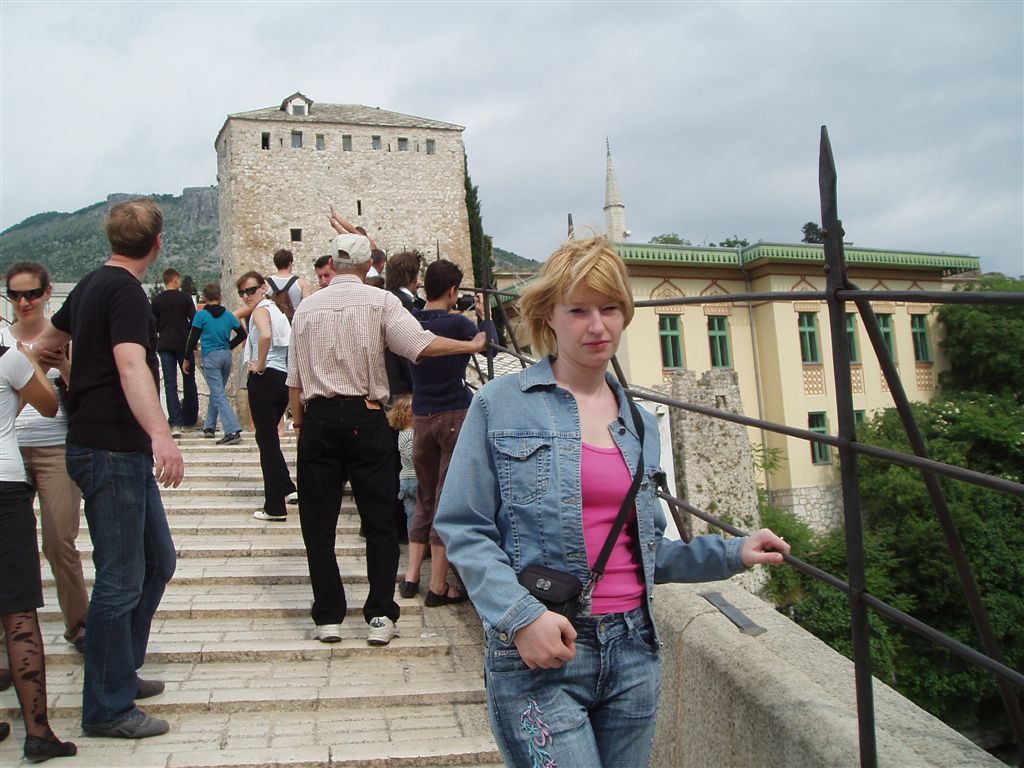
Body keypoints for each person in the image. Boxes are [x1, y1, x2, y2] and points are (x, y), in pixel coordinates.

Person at [435, 237, 790, 767]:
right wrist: (520, 617)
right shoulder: (499, 404)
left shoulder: (640, 424)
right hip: (544, 647)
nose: (597, 325)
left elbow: (646, 551)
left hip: (634, 652)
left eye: (609, 308)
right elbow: (463, 525)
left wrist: (732, 552)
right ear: (549, 317)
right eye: (578, 310)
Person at [287, 232, 488, 647]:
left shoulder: (306, 307)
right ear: (367, 266)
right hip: (366, 415)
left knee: (318, 525)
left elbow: (294, 379)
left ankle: (328, 616)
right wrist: (470, 344)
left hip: (318, 418)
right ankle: (379, 614)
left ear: (333, 264)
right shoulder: (380, 301)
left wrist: (302, 425)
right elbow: (420, 345)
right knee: (378, 520)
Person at [36, 197, 182, 739]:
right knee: (121, 579)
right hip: (113, 449)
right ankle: (106, 708)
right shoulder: (124, 292)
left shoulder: (91, 285)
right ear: (158, 243)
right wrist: (162, 434)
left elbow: (47, 344)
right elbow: (129, 362)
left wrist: (74, 372)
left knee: (158, 560)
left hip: (112, 447)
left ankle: (118, 671)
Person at [1, 263, 89, 652]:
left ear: (47, 293)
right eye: (16, 295)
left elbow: (84, 393)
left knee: (59, 541)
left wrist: (63, 365)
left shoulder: (65, 337)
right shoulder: (3, 340)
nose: (24, 302)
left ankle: (80, 625)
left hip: (56, 447)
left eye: (32, 294)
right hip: (9, 451)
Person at [0, 339, 77, 762]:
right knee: (19, 614)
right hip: (4, 485)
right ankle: (38, 732)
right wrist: (28, 358)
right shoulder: (8, 358)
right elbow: (48, 404)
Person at [401, 259, 492, 605]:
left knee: (424, 496)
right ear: (453, 290)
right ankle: (438, 585)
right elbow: (489, 343)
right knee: (446, 498)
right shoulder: (457, 323)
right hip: (453, 413)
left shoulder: (410, 320)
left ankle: (411, 577)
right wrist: (483, 315)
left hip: (420, 416)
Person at [236, 271, 296, 521]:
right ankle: (287, 487)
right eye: (242, 292)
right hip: (282, 378)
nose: (246, 296)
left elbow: (266, 335)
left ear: (262, 287)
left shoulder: (261, 310)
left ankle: (274, 506)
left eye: (250, 290)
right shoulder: (276, 309)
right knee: (268, 438)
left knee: (266, 440)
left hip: (265, 377)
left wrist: (259, 363)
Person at [184, 283, 247, 444]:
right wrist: (229, 346)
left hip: (210, 355)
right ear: (220, 297)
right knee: (217, 391)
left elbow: (193, 338)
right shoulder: (228, 315)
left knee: (218, 393)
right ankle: (209, 427)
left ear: (204, 298)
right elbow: (242, 334)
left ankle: (232, 429)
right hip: (226, 355)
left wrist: (186, 358)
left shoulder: (201, 316)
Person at [150, 267, 198, 436]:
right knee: (189, 380)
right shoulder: (185, 298)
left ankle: (175, 422)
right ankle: (189, 419)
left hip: (164, 343)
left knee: (170, 383)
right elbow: (194, 321)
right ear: (176, 279)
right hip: (183, 344)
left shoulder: (157, 300)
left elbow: (153, 324)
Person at [386, 395, 417, 541]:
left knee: (412, 514)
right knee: (417, 514)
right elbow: (413, 456)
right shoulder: (410, 434)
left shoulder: (401, 434)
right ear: (408, 414)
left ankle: (414, 542)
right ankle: (417, 542)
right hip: (414, 478)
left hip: (406, 479)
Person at [266, 249, 313, 316]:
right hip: (294, 319)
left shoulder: (266, 283)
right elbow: (309, 305)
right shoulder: (300, 282)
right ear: (290, 263)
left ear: (275, 264)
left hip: (274, 320)